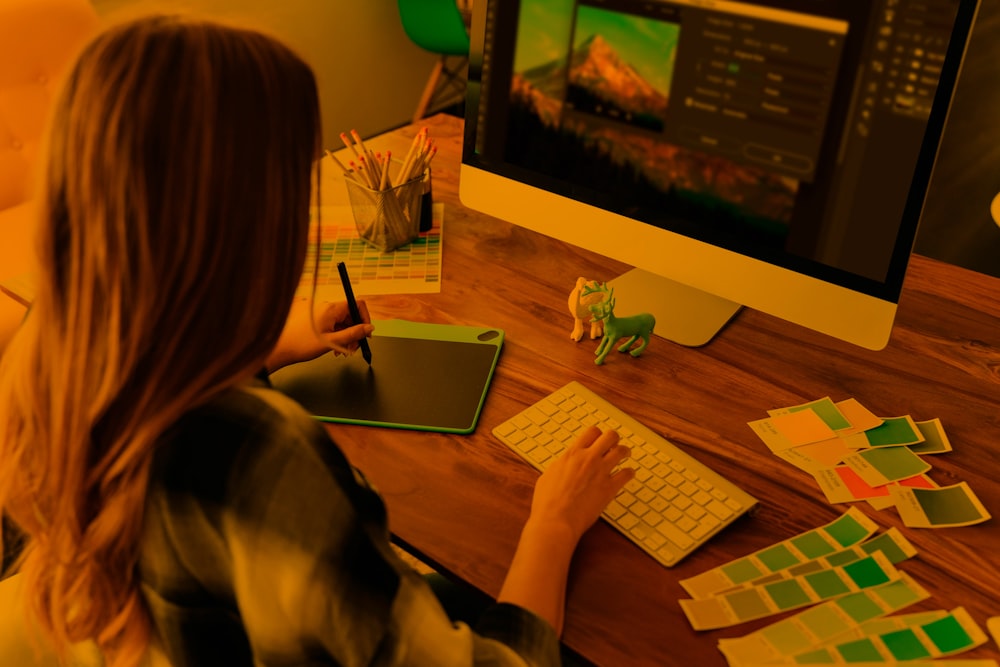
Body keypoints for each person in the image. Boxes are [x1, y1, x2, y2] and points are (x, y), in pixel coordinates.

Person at [0, 14, 634, 667]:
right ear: (250, 218)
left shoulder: (53, 356)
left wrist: (263, 348)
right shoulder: (254, 455)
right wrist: (553, 523)